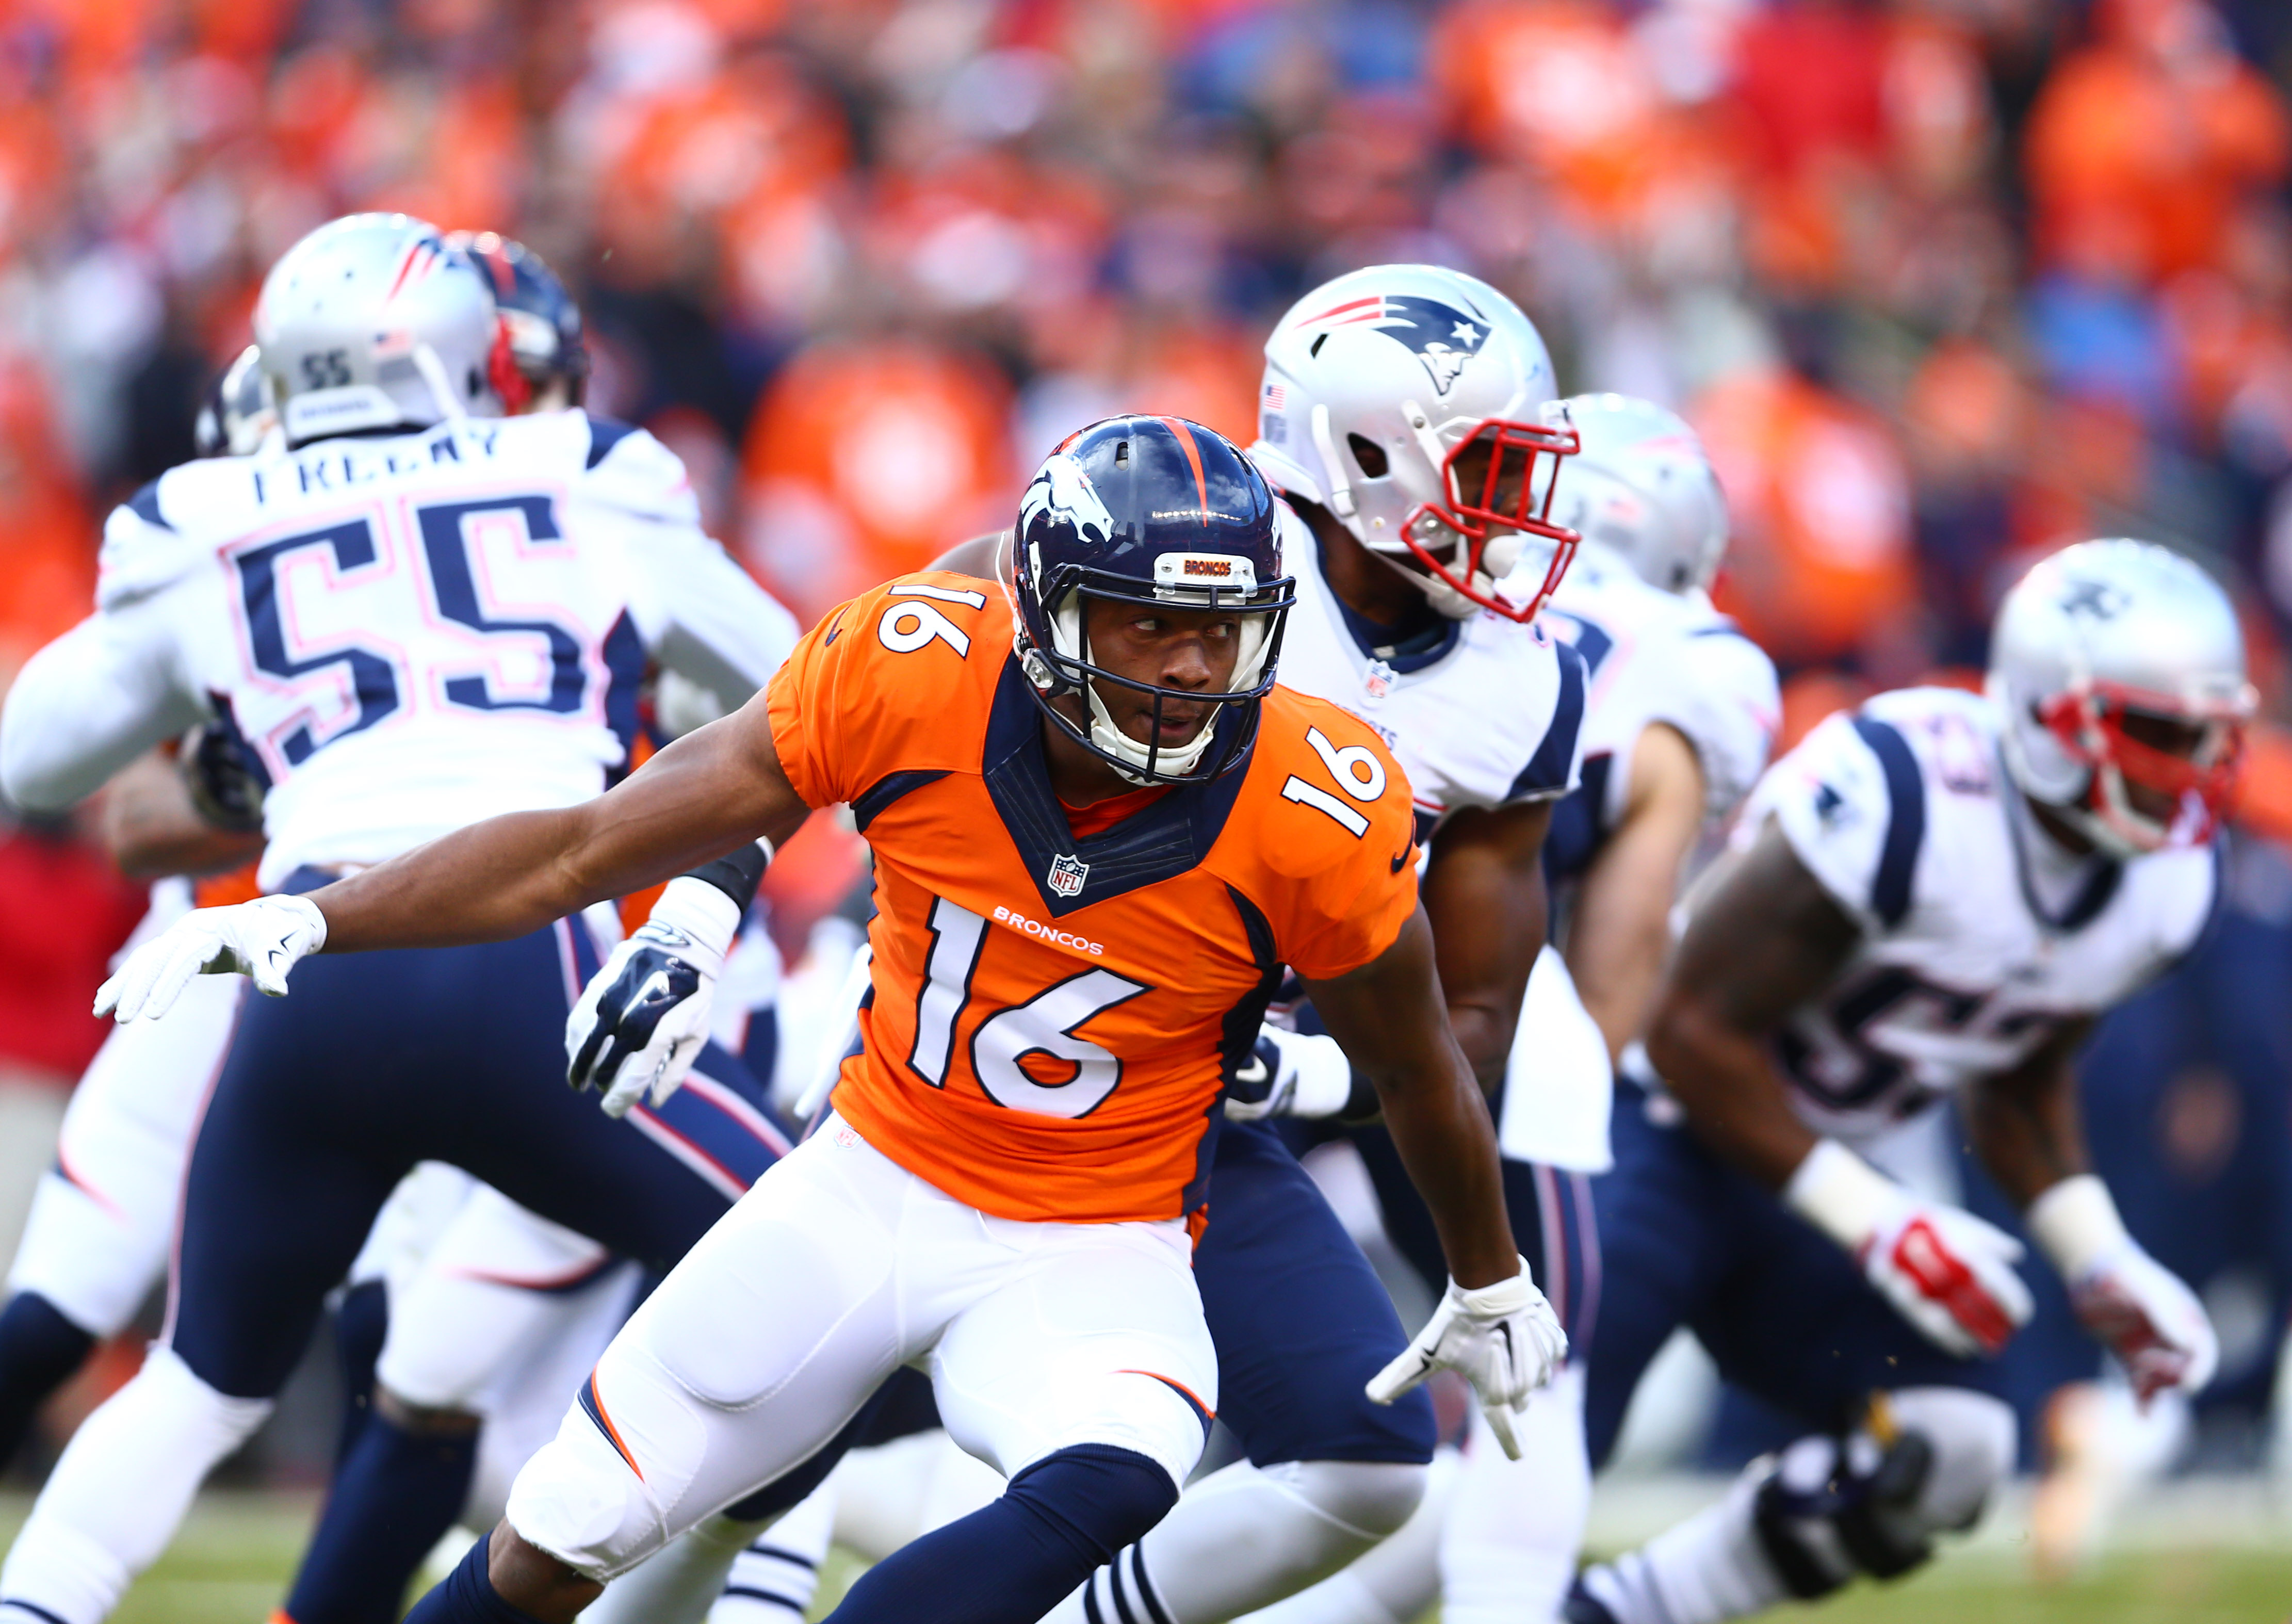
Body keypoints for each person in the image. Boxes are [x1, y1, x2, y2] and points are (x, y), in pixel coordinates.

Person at [95, 413, 1565, 1624]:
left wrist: (1485, 1270)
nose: (1189, 668)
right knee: (563, 1537)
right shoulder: (910, 667)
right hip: (865, 1185)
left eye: (1220, 630)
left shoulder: (1316, 795)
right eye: (1144, 623)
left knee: (1127, 1457)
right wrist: (314, 913)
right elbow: (582, 845)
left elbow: (1419, 1057)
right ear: (1045, 607)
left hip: (1099, 1236)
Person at [0, 211, 800, 1624]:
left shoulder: (209, 517)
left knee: (198, 1386)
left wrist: (240, 717)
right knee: (819, 1294)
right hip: (522, 961)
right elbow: (797, 693)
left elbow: (36, 761)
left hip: (309, 964)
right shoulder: (585, 476)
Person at [1566, 538, 2237, 1624]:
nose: (2190, 771)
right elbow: (1684, 1029)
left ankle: (1616, 1613)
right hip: (1652, 1134)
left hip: (1809, 1176)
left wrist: (2098, 1254)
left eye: (2209, 735)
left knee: (1952, 1447)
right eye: (2156, 732)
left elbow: (2015, 1079)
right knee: (1527, 1466)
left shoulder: (2160, 887)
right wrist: (1878, 1219)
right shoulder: (1905, 786)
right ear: (2046, 716)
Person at [1237, 393, 1781, 1624]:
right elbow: (1613, 950)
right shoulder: (1662, 666)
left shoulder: (1322, 580)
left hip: (1244, 988)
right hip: (1471, 1024)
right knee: (1534, 1382)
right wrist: (1582, 1076)